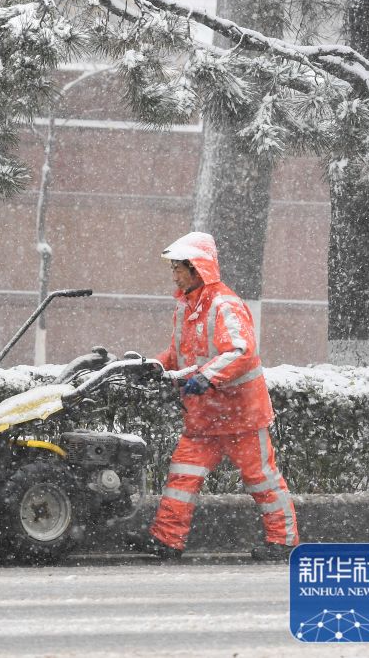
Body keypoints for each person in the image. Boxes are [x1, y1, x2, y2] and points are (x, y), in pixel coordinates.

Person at [130, 231, 299, 562]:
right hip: (204, 416)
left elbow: (241, 351)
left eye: (179, 268)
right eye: (174, 269)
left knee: (261, 479)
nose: (174, 275)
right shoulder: (186, 307)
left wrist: (207, 376)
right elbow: (179, 355)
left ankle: (284, 541)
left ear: (198, 269)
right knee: (182, 477)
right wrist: (152, 366)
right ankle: (167, 540)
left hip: (241, 416)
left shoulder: (224, 305)